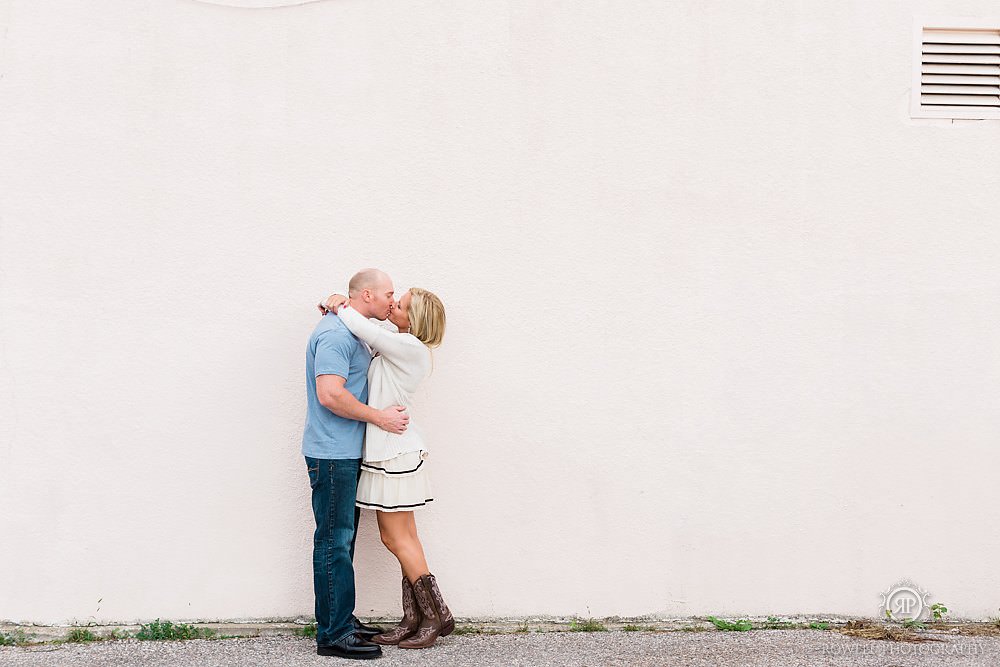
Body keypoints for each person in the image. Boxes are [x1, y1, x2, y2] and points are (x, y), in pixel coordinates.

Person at [318, 286, 454, 649]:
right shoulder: (403, 343)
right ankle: (414, 618)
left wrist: (340, 304)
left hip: (394, 453)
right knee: (403, 537)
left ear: (416, 319)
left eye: (402, 304)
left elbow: (366, 330)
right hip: (393, 450)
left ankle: (434, 616)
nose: (393, 304)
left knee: (396, 538)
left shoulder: (408, 346)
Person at [302, 268, 411, 660]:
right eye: (388, 294)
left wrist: (335, 299)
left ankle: (340, 620)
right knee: (334, 542)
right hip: (332, 455)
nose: (391, 301)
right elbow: (330, 395)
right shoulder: (335, 335)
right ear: (366, 295)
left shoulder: (351, 328)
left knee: (339, 541)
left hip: (343, 453)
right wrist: (379, 417)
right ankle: (334, 635)